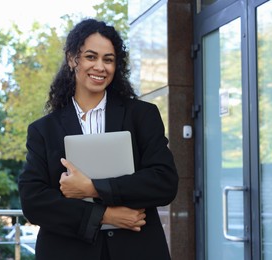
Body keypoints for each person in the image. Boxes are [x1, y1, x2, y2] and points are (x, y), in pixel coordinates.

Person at [18, 18, 178, 260]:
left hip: (136, 250)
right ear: (73, 59)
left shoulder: (142, 116)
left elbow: (164, 181)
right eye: (91, 57)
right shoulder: (43, 130)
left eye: (108, 59)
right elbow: (34, 202)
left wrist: (93, 187)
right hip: (68, 252)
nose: (100, 67)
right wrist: (104, 216)